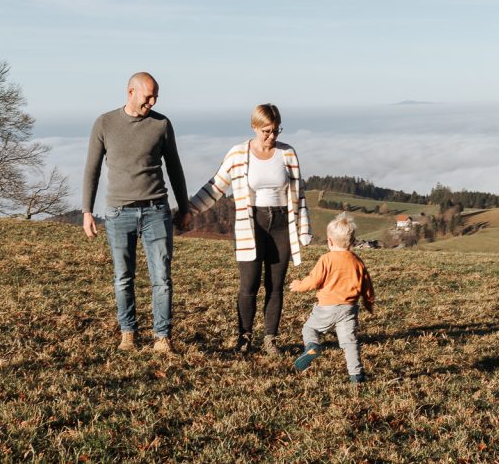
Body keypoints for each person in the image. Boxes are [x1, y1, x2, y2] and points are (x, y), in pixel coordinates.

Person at [188, 104, 311, 355]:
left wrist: (303, 228)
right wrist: (189, 210)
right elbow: (216, 186)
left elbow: (299, 194)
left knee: (275, 286)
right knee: (249, 285)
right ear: (254, 127)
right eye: (266, 131)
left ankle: (271, 339)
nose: (272, 136)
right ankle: (244, 338)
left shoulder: (288, 153)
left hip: (281, 224)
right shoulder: (237, 154)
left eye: (276, 131)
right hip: (251, 223)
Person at [82, 72, 190, 354]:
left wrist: (184, 207)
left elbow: (175, 168)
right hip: (119, 213)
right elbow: (91, 169)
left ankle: (162, 337)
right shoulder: (104, 123)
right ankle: (128, 333)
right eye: (147, 97)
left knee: (161, 278)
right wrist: (87, 211)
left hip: (157, 210)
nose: (151, 102)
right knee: (123, 277)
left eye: (156, 97)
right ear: (131, 92)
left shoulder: (161, 124)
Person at [289, 212, 375, 383]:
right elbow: (367, 286)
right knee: (349, 342)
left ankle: (312, 346)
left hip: (327, 307)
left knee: (309, 329)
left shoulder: (326, 259)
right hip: (349, 308)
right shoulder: (357, 261)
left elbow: (313, 281)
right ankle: (356, 375)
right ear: (352, 241)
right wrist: (369, 303)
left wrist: (298, 285)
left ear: (329, 241)